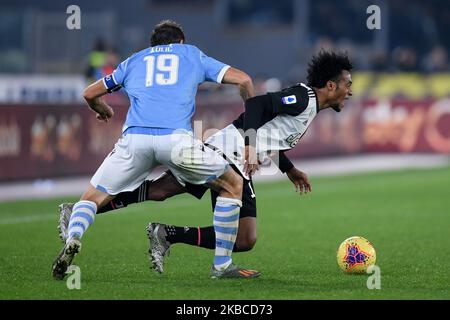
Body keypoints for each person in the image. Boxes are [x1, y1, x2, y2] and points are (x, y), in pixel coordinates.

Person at [58, 51, 353, 274]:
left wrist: (289, 169)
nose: (350, 91)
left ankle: (136, 224)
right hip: (229, 153)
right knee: (236, 232)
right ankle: (212, 262)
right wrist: (249, 146)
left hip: (234, 154)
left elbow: (269, 135)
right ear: (330, 84)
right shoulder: (303, 98)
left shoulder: (310, 107)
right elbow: (257, 105)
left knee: (168, 194)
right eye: (347, 84)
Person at [52, 20, 259, 280]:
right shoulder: (191, 54)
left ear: (154, 44)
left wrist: (101, 109)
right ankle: (221, 266)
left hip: (134, 141)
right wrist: (252, 123)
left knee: (90, 198)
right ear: (180, 42)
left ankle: (73, 238)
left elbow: (89, 93)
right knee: (232, 184)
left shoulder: (134, 60)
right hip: (176, 142)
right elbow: (244, 80)